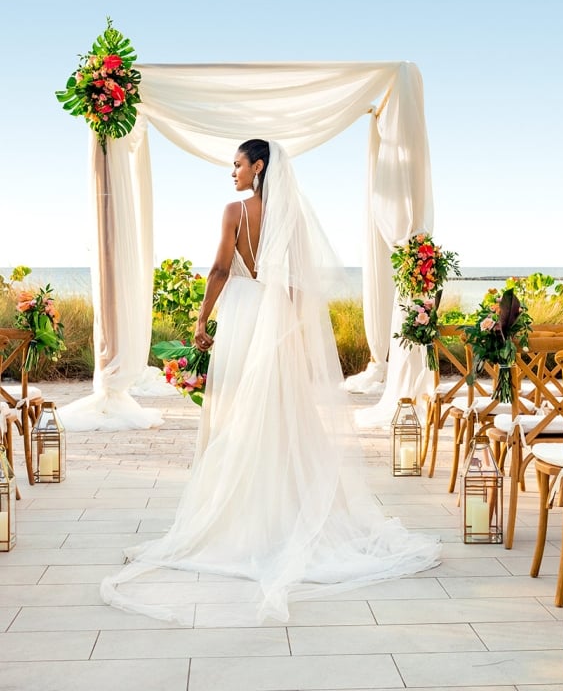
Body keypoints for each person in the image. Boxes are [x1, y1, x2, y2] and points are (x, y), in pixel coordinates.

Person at [101, 139, 441, 625]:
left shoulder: (236, 212)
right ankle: (285, 506)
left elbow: (220, 268)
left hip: (242, 316)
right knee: (282, 413)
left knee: (238, 414)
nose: (232, 172)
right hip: (276, 319)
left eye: (237, 164)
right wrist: (296, 334)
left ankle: (243, 513)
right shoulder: (291, 218)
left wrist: (201, 320)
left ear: (258, 166)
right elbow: (300, 284)